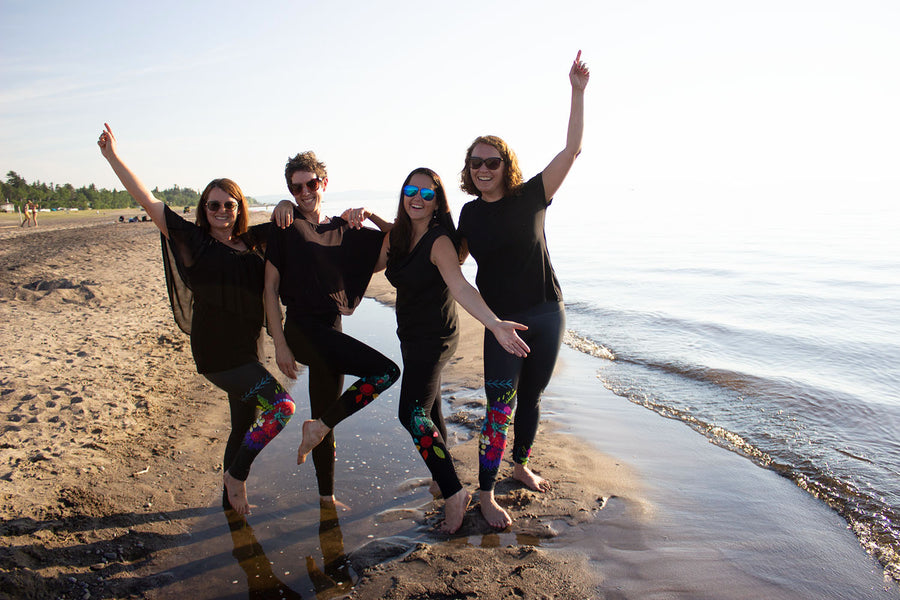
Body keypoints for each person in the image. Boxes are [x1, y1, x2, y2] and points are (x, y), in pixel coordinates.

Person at [97, 123, 294, 516]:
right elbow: (148, 201)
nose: (222, 211)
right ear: (204, 210)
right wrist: (113, 156)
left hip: (248, 348)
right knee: (281, 408)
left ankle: (230, 505)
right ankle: (236, 478)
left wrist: (287, 204)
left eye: (229, 204)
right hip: (218, 353)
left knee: (242, 425)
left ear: (239, 208)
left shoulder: (255, 241)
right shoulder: (194, 242)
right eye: (213, 205)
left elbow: (300, 223)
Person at [456, 51, 590, 529]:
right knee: (499, 403)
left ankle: (521, 463)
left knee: (531, 397)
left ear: (504, 164)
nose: (484, 168)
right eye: (476, 163)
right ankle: (487, 493)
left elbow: (571, 150)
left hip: (547, 312)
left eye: (492, 161)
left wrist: (576, 91)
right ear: (468, 170)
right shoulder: (468, 216)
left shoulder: (533, 195)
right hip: (501, 322)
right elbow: (447, 263)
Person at [380, 167, 530, 533]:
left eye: (427, 194)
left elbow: (461, 287)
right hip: (410, 335)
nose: (417, 198)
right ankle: (440, 475)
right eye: (411, 190)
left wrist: (494, 324)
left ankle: (453, 492)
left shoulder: (439, 242)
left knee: (411, 414)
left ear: (437, 203)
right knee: (429, 407)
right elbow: (373, 259)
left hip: (435, 338)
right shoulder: (397, 236)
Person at [264, 151, 399, 506]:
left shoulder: (345, 230)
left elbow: (397, 242)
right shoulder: (286, 226)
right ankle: (317, 431)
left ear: (324, 183)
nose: (304, 192)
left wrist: (370, 214)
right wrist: (279, 343)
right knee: (386, 371)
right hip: (303, 330)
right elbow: (270, 289)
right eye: (296, 187)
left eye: (311, 183)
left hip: (331, 329)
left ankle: (326, 497)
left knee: (325, 417)